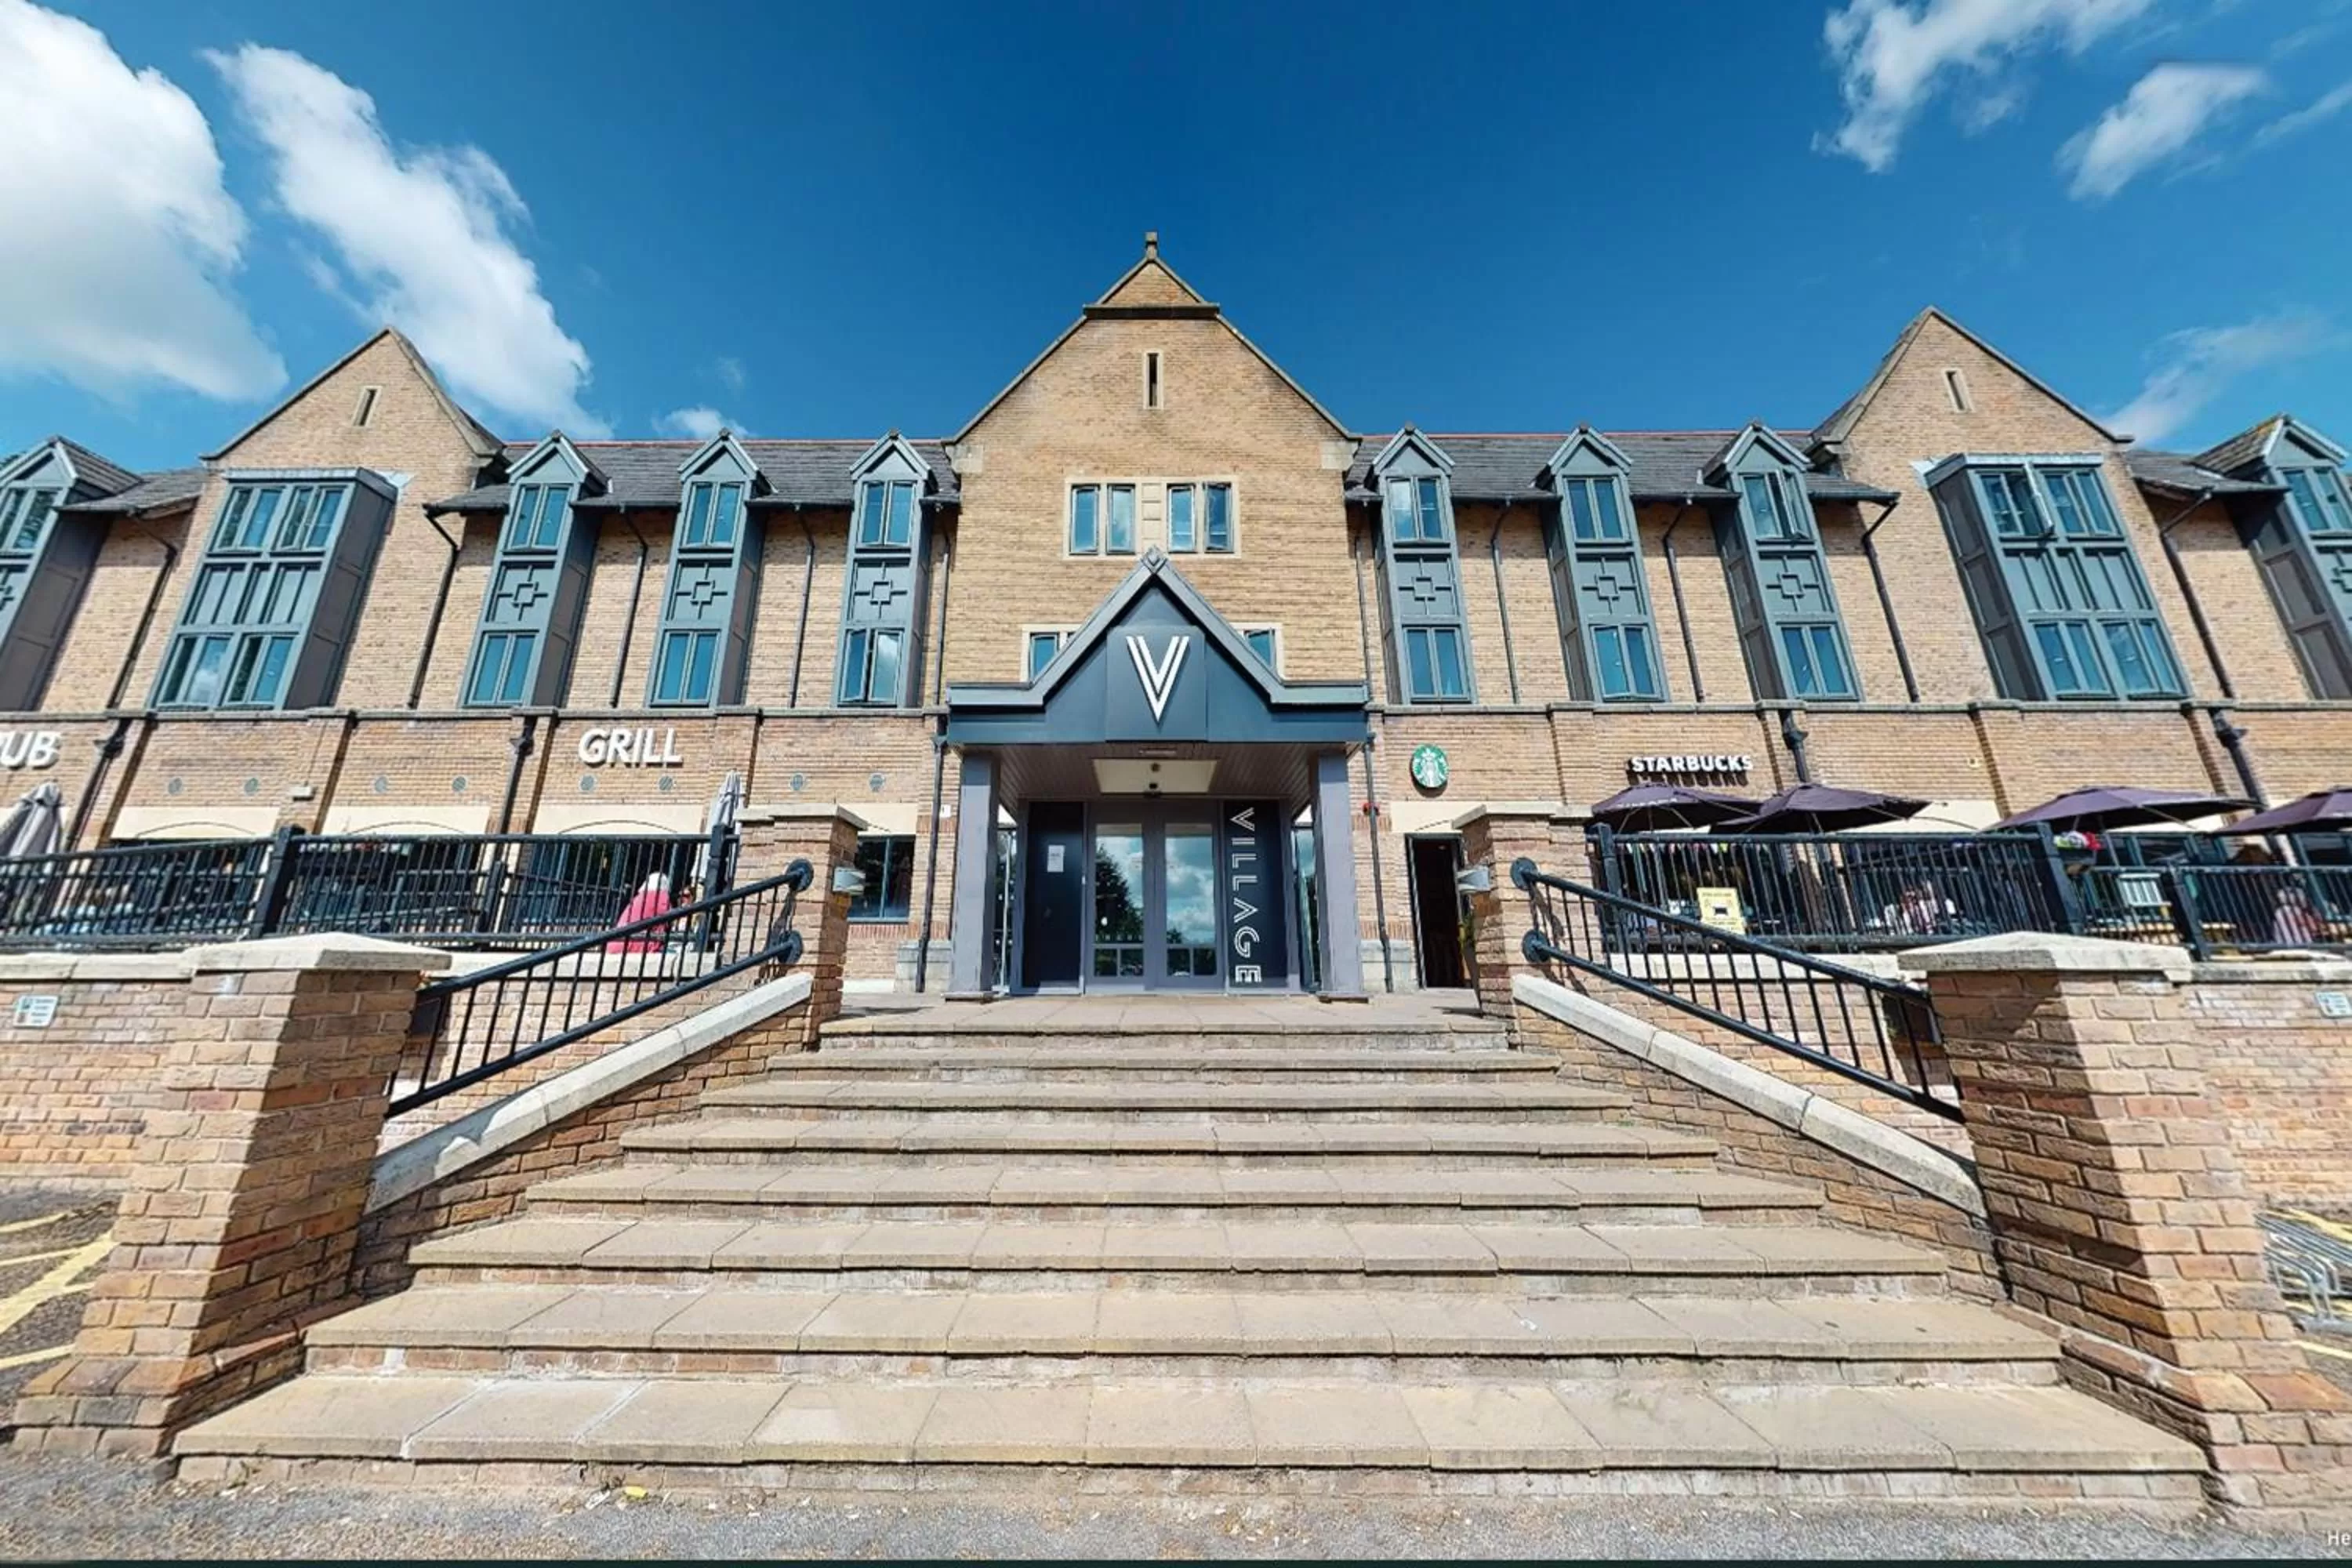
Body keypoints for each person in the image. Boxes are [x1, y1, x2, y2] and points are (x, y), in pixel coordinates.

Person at [607, 871, 673, 953]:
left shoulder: (638, 898)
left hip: (615, 942)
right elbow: (668, 920)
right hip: (636, 943)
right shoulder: (661, 897)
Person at [2272, 880, 2325, 947]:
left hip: (2288, 944)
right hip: (2298, 944)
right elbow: (2314, 926)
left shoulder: (2280, 911)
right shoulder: (2291, 911)